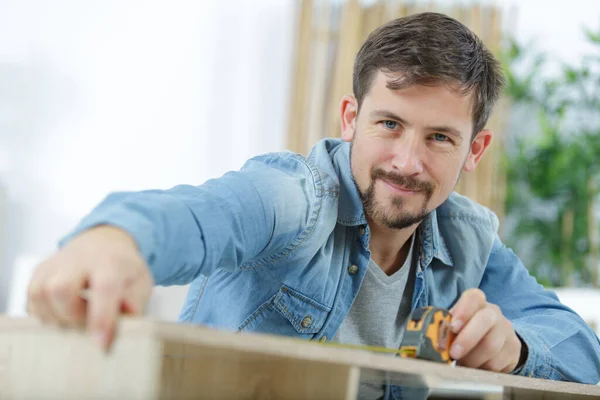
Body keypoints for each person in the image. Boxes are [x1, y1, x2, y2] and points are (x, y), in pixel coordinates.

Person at [26, 11, 600, 399]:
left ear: (474, 149)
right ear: (351, 119)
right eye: (389, 124)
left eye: (439, 138)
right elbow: (204, 214)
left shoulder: (467, 240)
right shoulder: (295, 197)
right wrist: (115, 240)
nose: (406, 161)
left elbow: (580, 351)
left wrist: (517, 348)